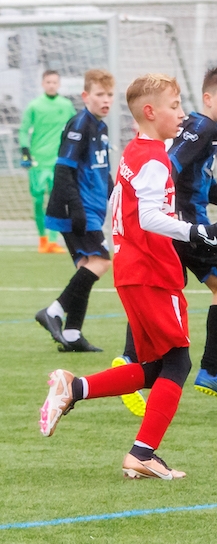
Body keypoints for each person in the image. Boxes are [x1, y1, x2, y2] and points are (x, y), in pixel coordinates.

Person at [38, 73, 217, 479]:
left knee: (158, 367)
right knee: (179, 363)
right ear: (150, 112)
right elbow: (148, 217)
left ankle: (74, 388)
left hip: (133, 269)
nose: (182, 114)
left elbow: (126, 206)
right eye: (174, 107)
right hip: (152, 271)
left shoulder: (135, 150)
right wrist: (199, 232)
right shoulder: (152, 159)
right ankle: (143, 453)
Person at [115, 67, 217, 405]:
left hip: (177, 224)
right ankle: (209, 371)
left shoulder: (202, 128)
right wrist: (179, 219)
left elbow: (205, 186)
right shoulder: (203, 128)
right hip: (189, 226)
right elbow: (168, 166)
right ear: (208, 98)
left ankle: (130, 359)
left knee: (164, 288)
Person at [34, 69, 116, 352]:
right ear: (85, 96)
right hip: (77, 209)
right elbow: (63, 169)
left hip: (91, 210)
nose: (106, 100)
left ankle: (71, 334)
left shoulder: (101, 128)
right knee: (101, 262)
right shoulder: (80, 124)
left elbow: (103, 172)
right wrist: (77, 210)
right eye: (99, 94)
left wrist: (117, 198)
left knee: (86, 268)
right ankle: (53, 311)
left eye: (109, 95)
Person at [19, 69, 77, 254]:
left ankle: (52, 241)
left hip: (59, 160)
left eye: (54, 82)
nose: (51, 85)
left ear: (59, 84)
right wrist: (25, 152)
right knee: (38, 200)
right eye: (48, 82)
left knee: (57, 201)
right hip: (38, 160)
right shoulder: (34, 106)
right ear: (43, 84)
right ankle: (42, 239)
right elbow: (23, 130)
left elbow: (75, 128)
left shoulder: (66, 105)